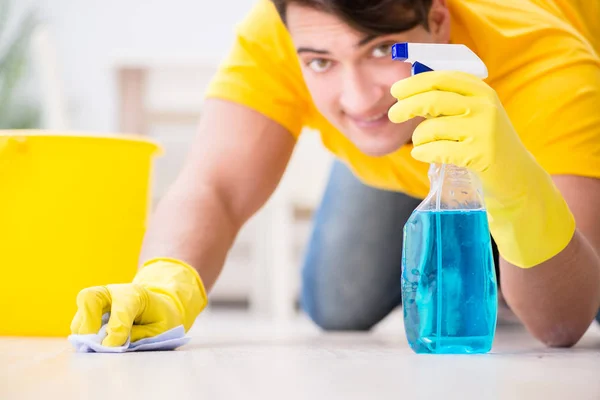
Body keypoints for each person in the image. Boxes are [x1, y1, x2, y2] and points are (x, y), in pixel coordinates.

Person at [70, 0, 600, 348]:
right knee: (337, 304)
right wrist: (166, 280)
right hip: (406, 150)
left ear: (437, 21)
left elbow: (562, 323)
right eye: (322, 63)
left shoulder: (548, 66)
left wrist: (515, 187)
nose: (357, 97)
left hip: (542, 154)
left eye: (381, 51)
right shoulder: (293, 25)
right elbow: (216, 185)